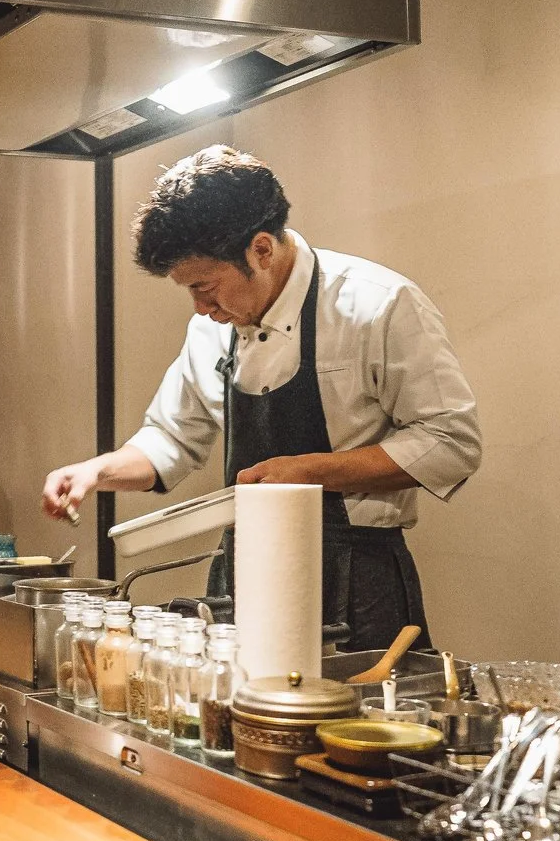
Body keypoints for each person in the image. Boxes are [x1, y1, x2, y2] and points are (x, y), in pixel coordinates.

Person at [42, 146, 482, 651]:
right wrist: (97, 472)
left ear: (262, 250)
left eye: (207, 287)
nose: (202, 308)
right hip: (242, 576)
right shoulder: (211, 330)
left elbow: (452, 441)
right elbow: (173, 439)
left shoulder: (377, 305)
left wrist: (308, 472)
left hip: (357, 582)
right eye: (188, 291)